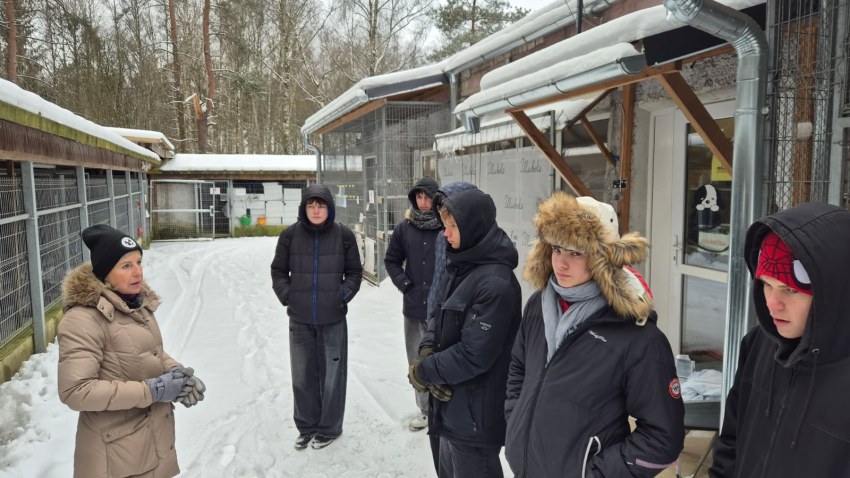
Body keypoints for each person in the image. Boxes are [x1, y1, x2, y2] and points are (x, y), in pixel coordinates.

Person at [504, 192, 684, 477]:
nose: (561, 263)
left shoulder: (636, 337)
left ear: (602, 258)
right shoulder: (539, 305)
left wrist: (594, 473)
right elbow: (519, 368)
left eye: (576, 252)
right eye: (556, 248)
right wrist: (516, 419)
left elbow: (663, 438)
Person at [710, 203, 850, 477]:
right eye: (766, 284)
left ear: (834, 294)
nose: (773, 303)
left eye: (790, 290)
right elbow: (731, 442)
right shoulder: (759, 345)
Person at [58, 224, 206, 478]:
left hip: (150, 443)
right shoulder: (83, 319)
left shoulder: (136, 303)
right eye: (126, 266)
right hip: (115, 458)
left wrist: (177, 374)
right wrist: (153, 390)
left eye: (139, 262)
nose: (138, 272)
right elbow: (76, 391)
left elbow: (149, 352)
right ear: (105, 273)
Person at [409, 188, 522, 478]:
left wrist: (426, 372)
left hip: (474, 419)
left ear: (473, 227)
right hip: (449, 409)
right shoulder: (460, 265)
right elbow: (437, 315)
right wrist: (427, 349)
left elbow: (474, 355)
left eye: (453, 226)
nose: (445, 233)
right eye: (444, 225)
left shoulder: (496, 283)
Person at [271, 184, 363, 450]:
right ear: (304, 208)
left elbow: (354, 273)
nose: (315, 210)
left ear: (329, 208)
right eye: (311, 205)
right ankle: (307, 426)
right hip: (299, 319)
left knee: (333, 376)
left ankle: (330, 428)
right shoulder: (290, 236)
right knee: (302, 375)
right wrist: (289, 296)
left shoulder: (343, 235)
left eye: (320, 205)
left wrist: (340, 297)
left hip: (333, 318)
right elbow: (278, 271)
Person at [384, 176, 441, 432]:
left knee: (441, 358)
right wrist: (405, 284)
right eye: (419, 196)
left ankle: (443, 408)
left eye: (428, 196)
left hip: (442, 309)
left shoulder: (446, 226)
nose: (424, 201)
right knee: (417, 360)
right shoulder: (404, 229)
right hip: (415, 308)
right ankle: (425, 410)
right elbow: (391, 260)